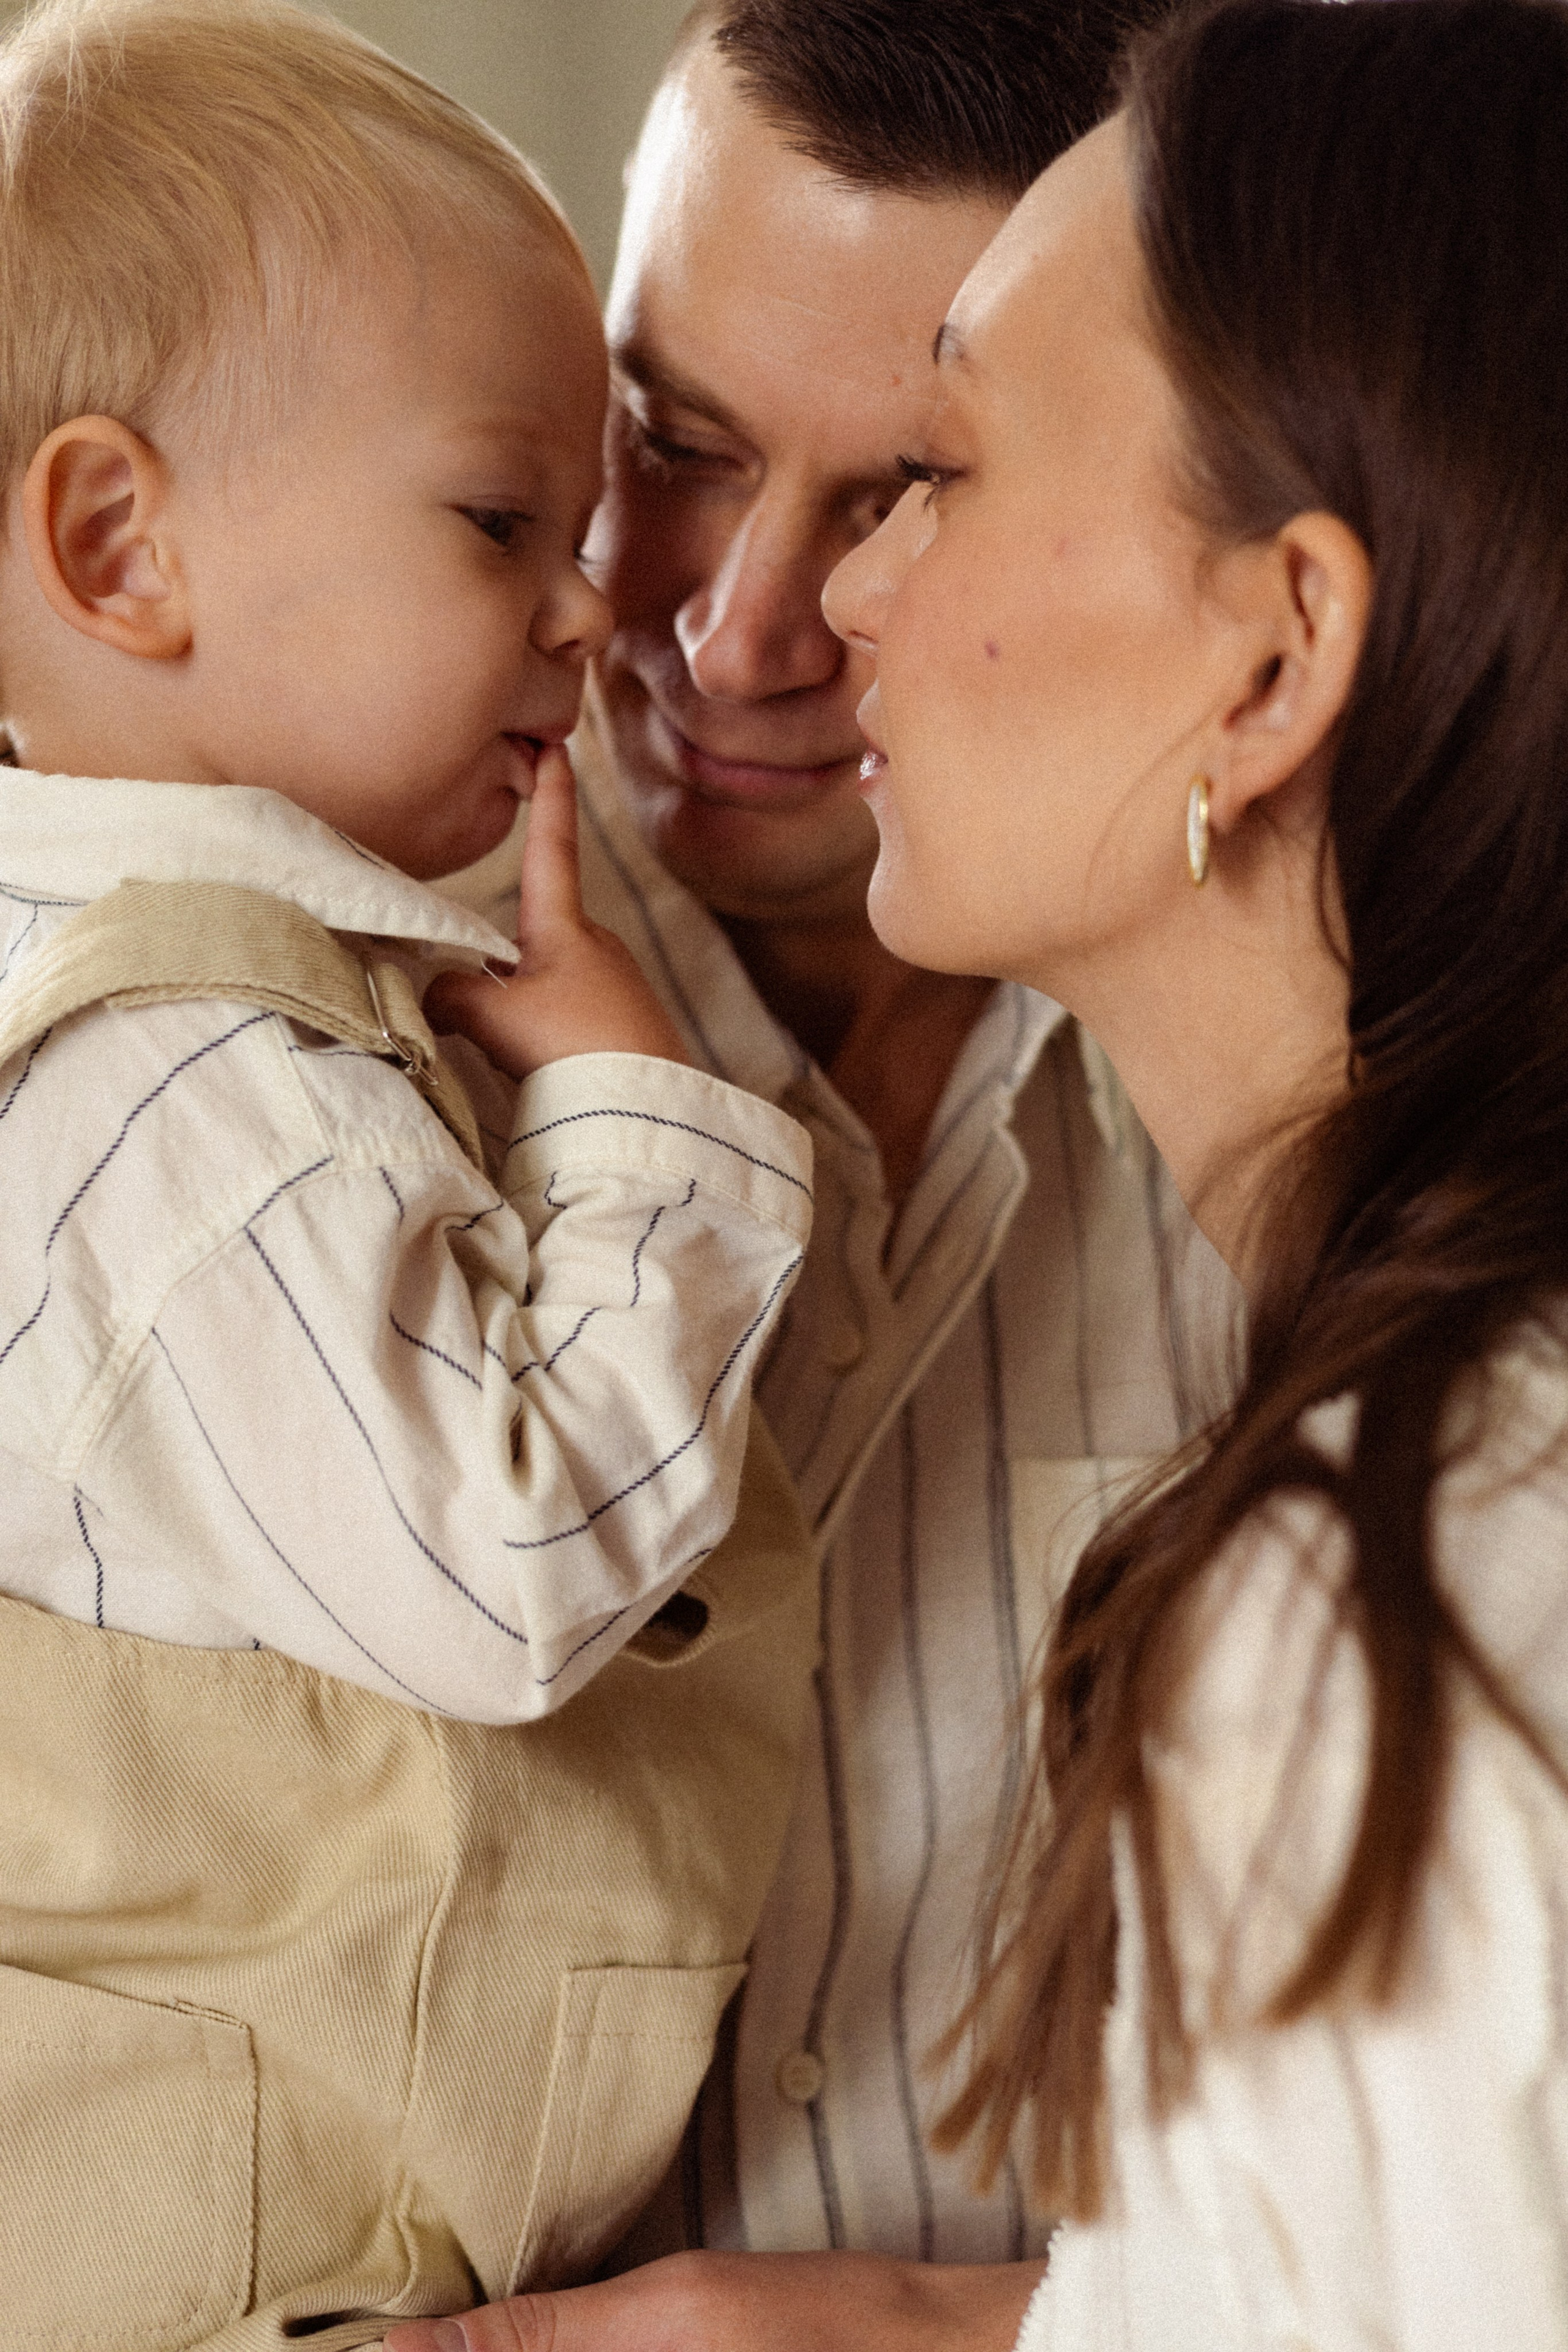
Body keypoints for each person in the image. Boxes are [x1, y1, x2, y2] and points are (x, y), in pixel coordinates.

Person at [0, 1, 821, 2339]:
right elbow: (508, 1557)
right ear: (116, 540)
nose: (593, 608)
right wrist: (643, 1115)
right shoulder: (179, 1088)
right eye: (498, 521)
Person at [419, 0, 1235, 2342]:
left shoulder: (1343, 1111)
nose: (737, 622)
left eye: (908, 489)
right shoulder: (272, 1023)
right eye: (668, 438)